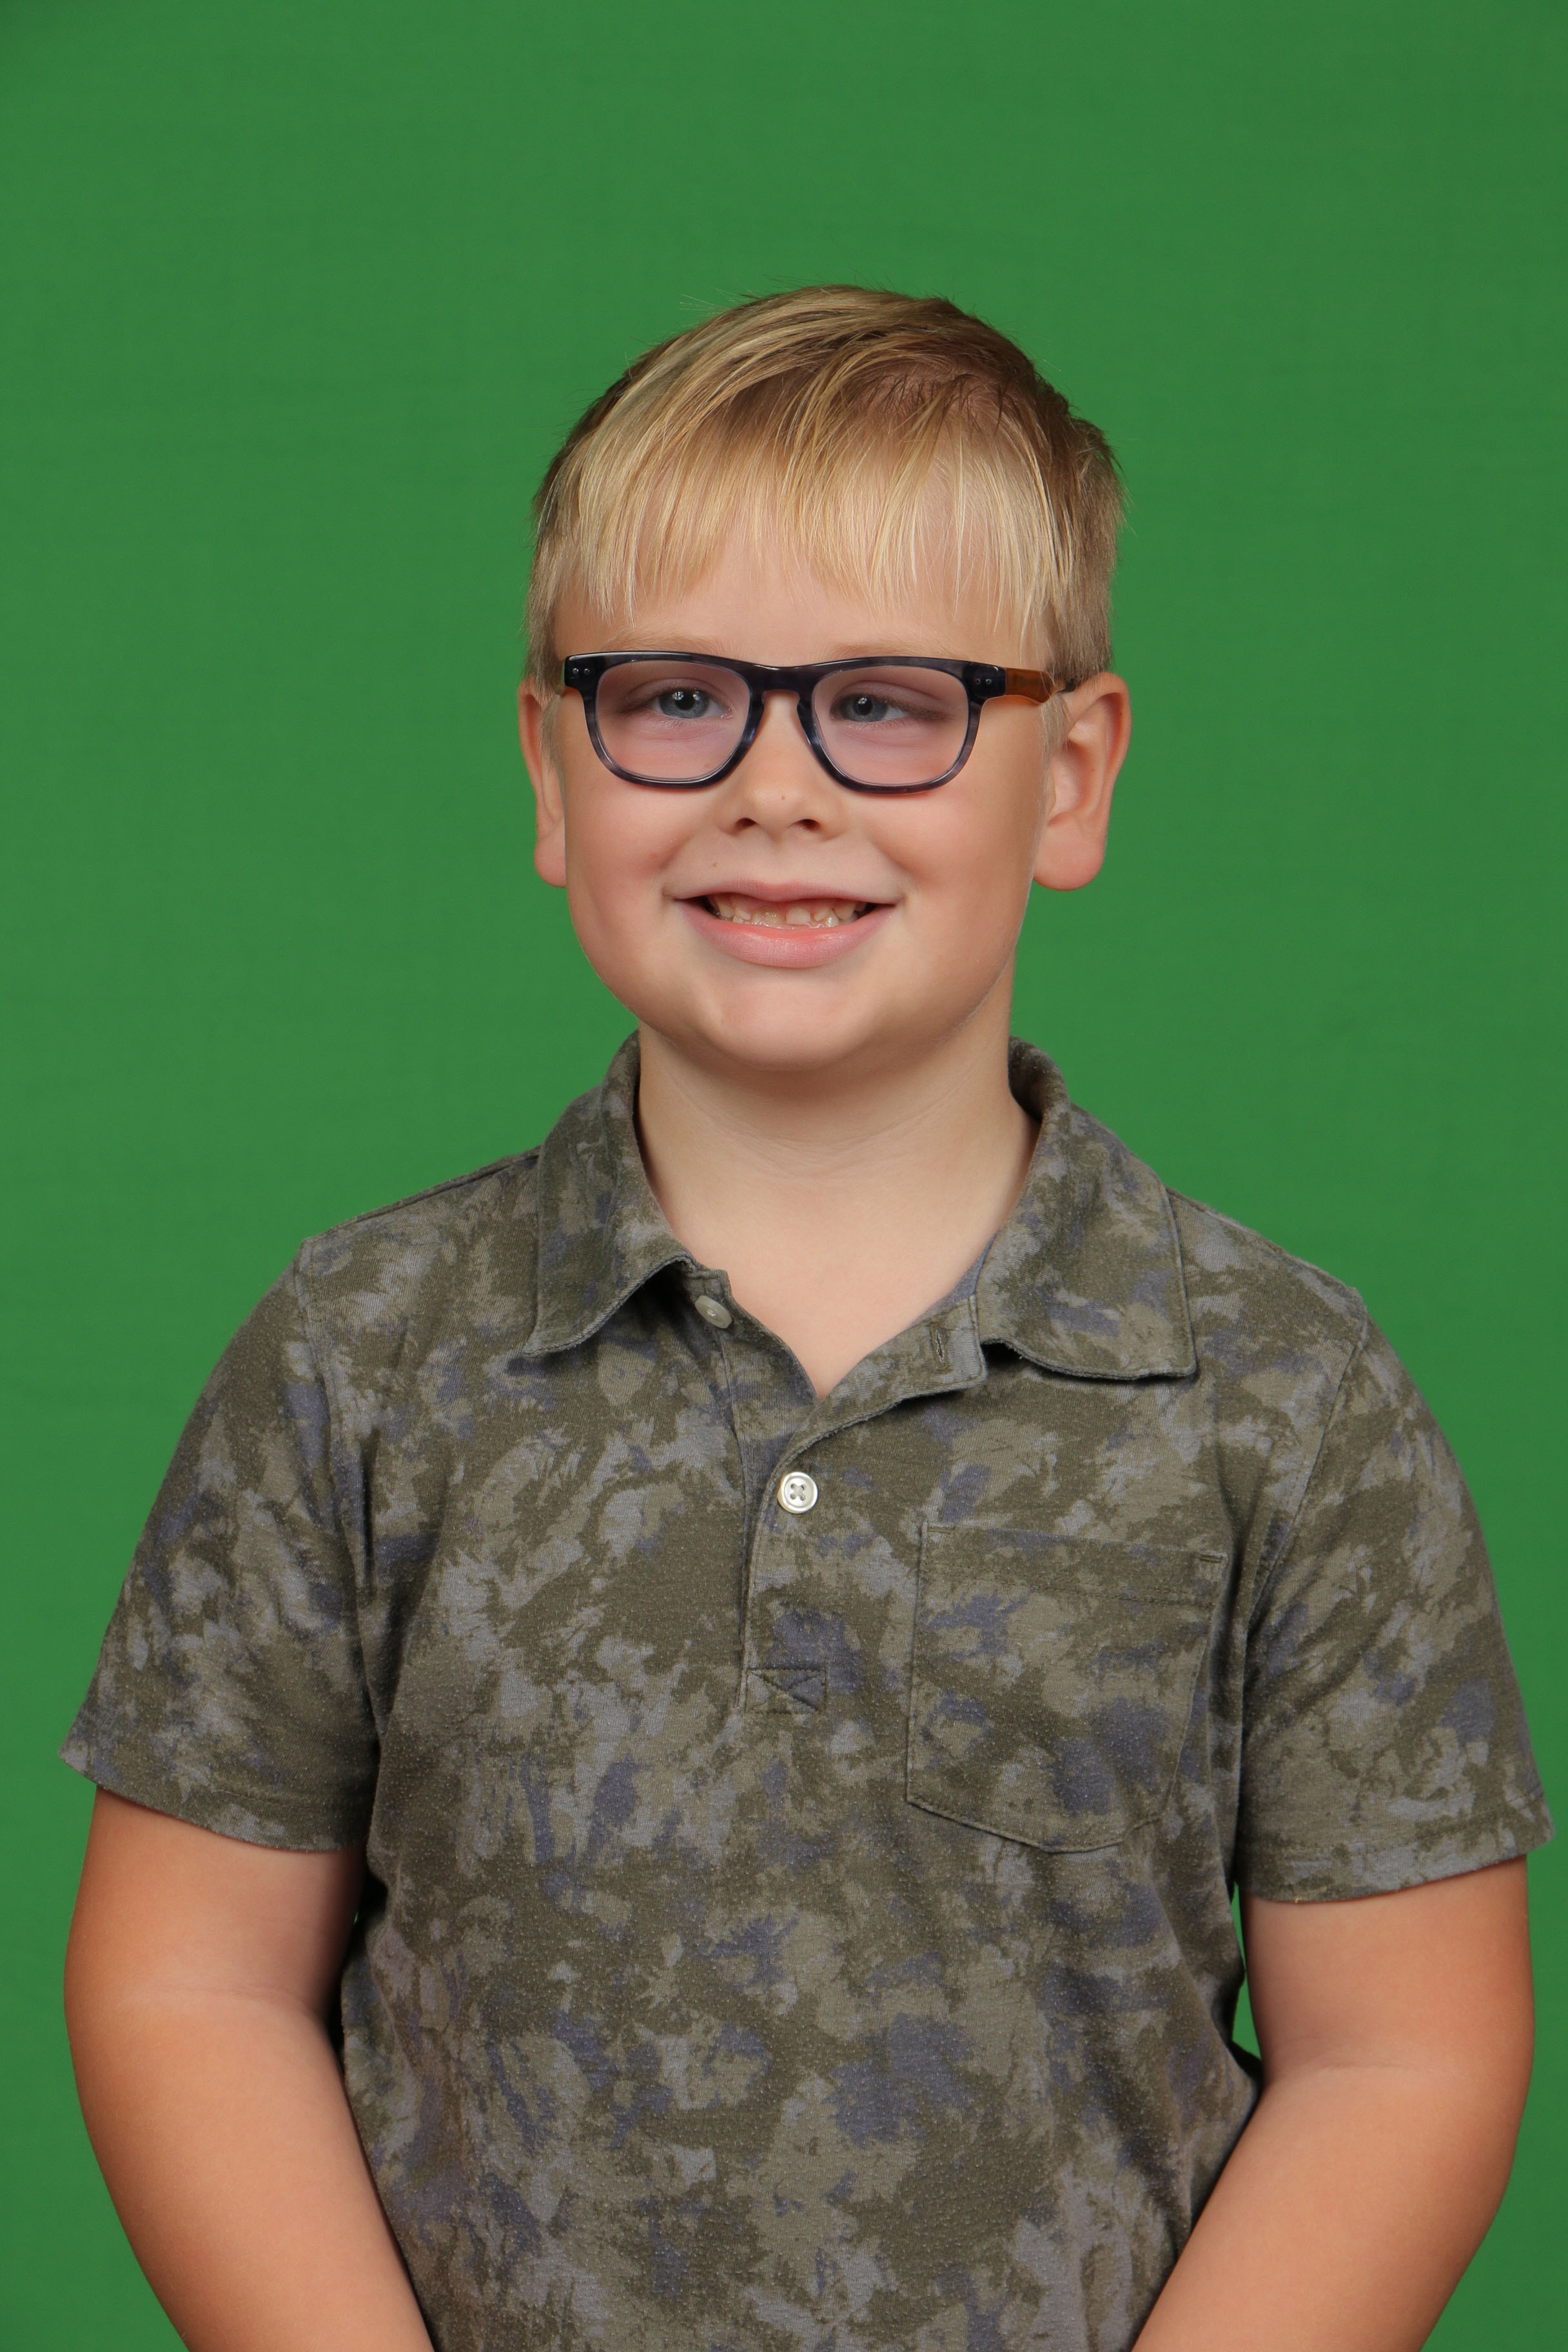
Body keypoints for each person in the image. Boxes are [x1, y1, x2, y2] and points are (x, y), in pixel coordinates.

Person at [63, 287, 1550, 2352]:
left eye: (890, 702)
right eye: (676, 698)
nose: (775, 784)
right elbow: (190, 1981)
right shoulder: (361, 1354)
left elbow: (1402, 2056)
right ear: (551, 768)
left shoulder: (1283, 1397)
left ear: (1072, 777)